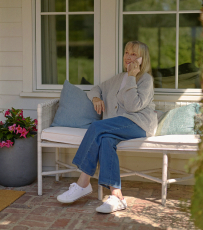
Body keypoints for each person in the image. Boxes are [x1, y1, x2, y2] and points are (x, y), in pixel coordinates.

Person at [57, 41, 158, 213]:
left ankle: (83, 182)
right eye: (127, 52)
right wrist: (96, 98)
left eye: (134, 54)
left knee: (97, 127)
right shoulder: (119, 78)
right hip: (116, 126)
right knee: (105, 139)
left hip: (139, 123)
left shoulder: (145, 80)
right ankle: (117, 196)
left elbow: (134, 106)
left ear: (142, 58)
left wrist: (132, 76)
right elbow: (97, 88)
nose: (128, 57)